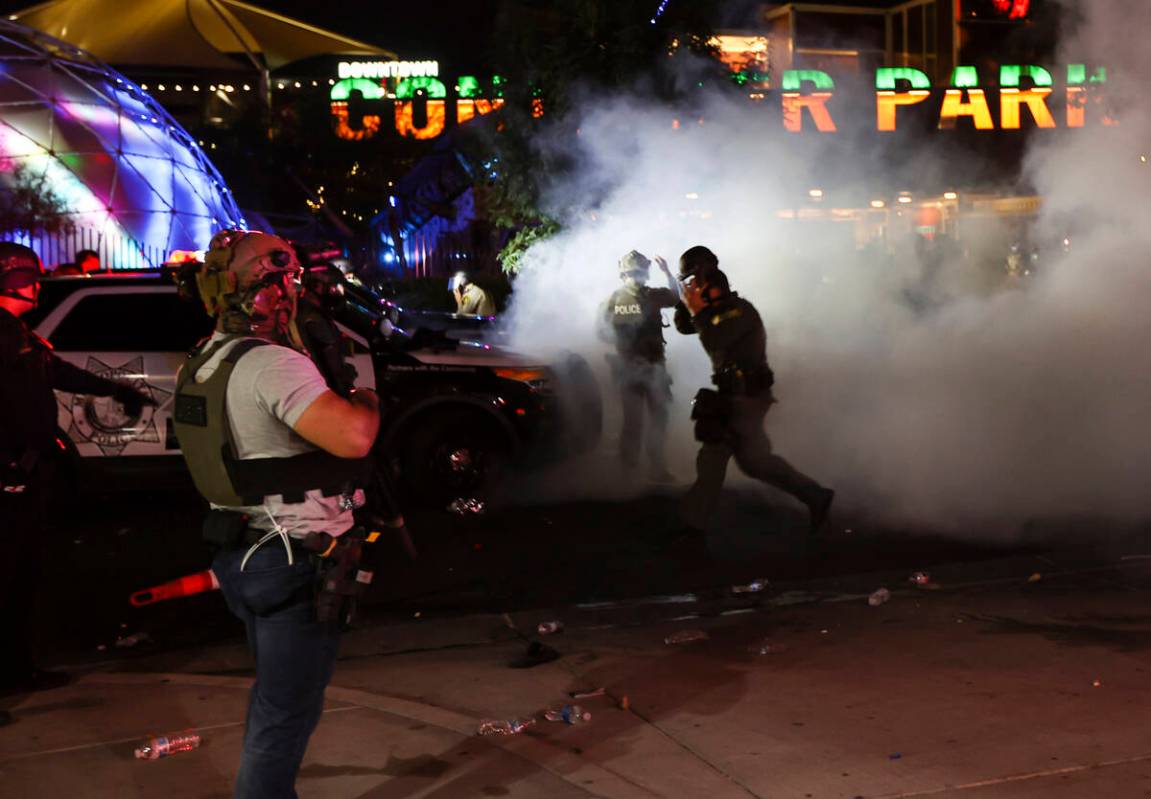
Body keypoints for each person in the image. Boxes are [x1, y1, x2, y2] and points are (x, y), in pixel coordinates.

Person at [172, 230, 380, 797]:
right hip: (294, 559)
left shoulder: (205, 357)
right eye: (278, 279)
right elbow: (355, 437)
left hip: (246, 549)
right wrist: (362, 392)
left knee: (276, 701)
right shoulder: (270, 365)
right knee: (284, 716)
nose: (289, 292)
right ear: (250, 290)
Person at [0, 242, 153, 721]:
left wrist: (115, 389)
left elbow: (55, 372)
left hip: (25, 472)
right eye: (28, 276)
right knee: (4, 578)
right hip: (5, 476)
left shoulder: (16, 331)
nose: (36, 285)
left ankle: (17, 670)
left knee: (20, 578)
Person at [673, 245, 834, 537]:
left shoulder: (738, 311)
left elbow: (715, 341)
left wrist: (696, 309)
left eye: (698, 287)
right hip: (736, 396)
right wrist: (684, 302)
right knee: (755, 463)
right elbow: (684, 327)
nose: (694, 291)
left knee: (712, 459)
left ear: (713, 289)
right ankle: (816, 496)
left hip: (747, 397)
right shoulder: (715, 311)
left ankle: (691, 528)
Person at [597, 249, 679, 481]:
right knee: (657, 418)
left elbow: (600, 333)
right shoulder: (653, 295)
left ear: (623, 274)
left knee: (634, 421)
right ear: (646, 273)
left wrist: (623, 344)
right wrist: (667, 272)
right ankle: (655, 469)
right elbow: (677, 297)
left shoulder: (611, 300)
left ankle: (629, 471)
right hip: (651, 367)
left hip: (630, 368)